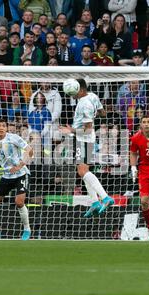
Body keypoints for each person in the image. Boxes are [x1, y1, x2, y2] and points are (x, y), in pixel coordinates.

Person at [60, 78, 114, 218]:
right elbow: (103, 113)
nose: (73, 96)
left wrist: (71, 130)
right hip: (85, 140)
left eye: (74, 92)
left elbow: (88, 130)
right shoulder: (93, 96)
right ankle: (95, 202)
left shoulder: (85, 105)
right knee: (84, 172)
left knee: (82, 172)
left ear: (81, 89)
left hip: (83, 140)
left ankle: (105, 197)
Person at [0, 118, 34, 241]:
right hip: (7, 176)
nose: (1, 128)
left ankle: (27, 229)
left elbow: (30, 150)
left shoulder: (14, 138)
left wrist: (20, 165)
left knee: (19, 202)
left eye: (3, 126)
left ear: (6, 128)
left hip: (21, 174)